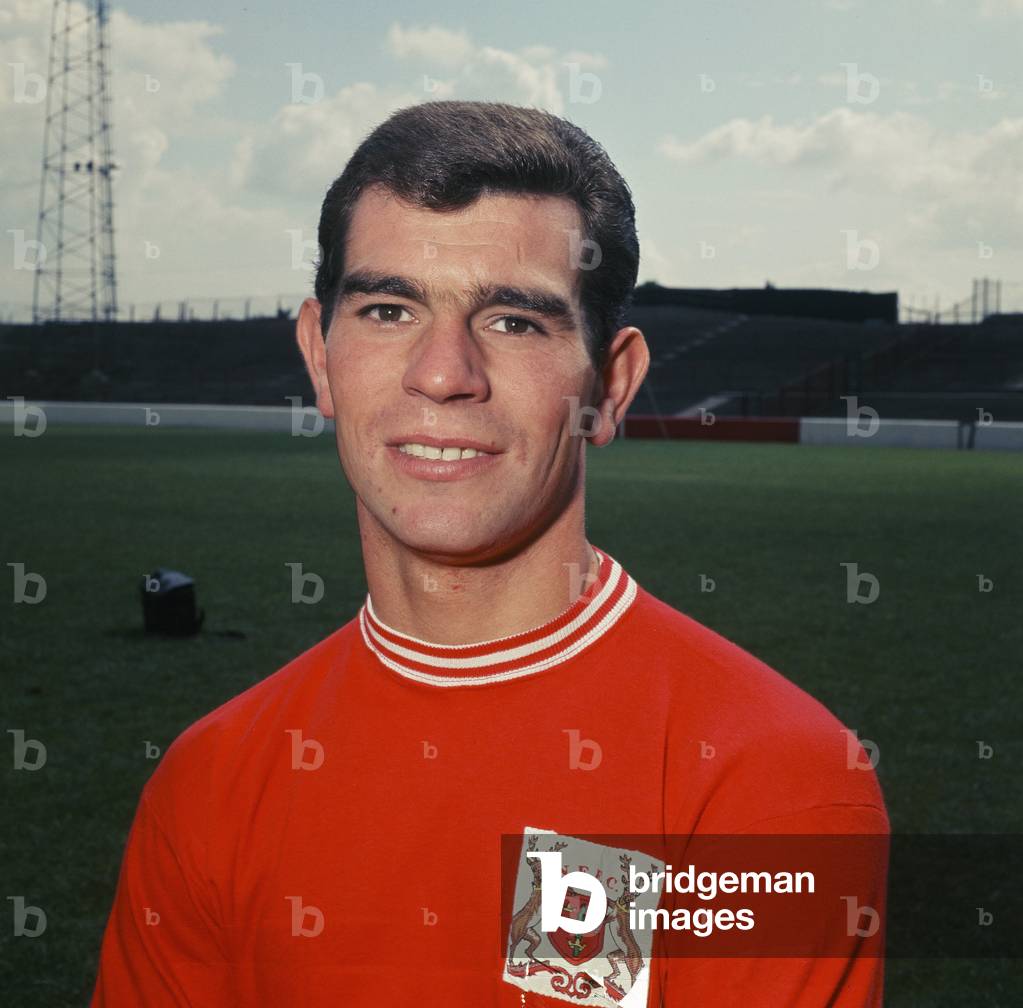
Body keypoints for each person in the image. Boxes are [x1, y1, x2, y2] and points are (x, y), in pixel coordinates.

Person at [90, 100, 888, 1007]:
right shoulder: (208, 782)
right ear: (320, 355)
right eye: (389, 309)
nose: (442, 373)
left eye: (514, 322)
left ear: (609, 386)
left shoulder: (769, 784)